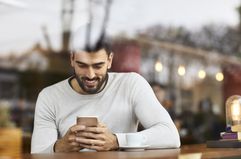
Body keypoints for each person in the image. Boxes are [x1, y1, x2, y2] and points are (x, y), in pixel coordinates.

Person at [31, 34, 180, 153]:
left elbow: (171, 136)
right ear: (72, 59)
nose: (90, 75)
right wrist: (60, 147)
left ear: (109, 60)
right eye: (82, 65)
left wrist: (116, 141)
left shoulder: (131, 84)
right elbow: (37, 153)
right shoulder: (49, 97)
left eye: (98, 66)